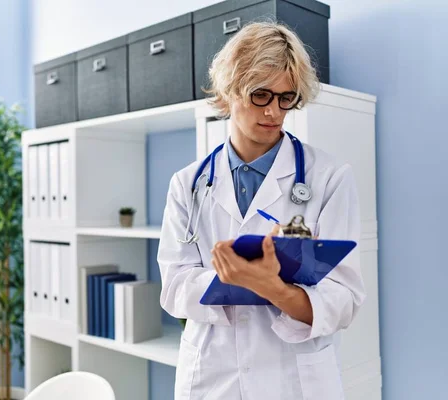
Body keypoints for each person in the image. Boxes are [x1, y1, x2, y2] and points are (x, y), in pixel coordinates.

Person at [157, 21, 366, 400]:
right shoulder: (187, 185)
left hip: (295, 381)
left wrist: (275, 290)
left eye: (286, 98)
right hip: (213, 377)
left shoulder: (330, 177)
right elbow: (173, 290)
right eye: (261, 95)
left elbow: (345, 299)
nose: (274, 111)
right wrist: (236, 280)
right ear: (230, 90)